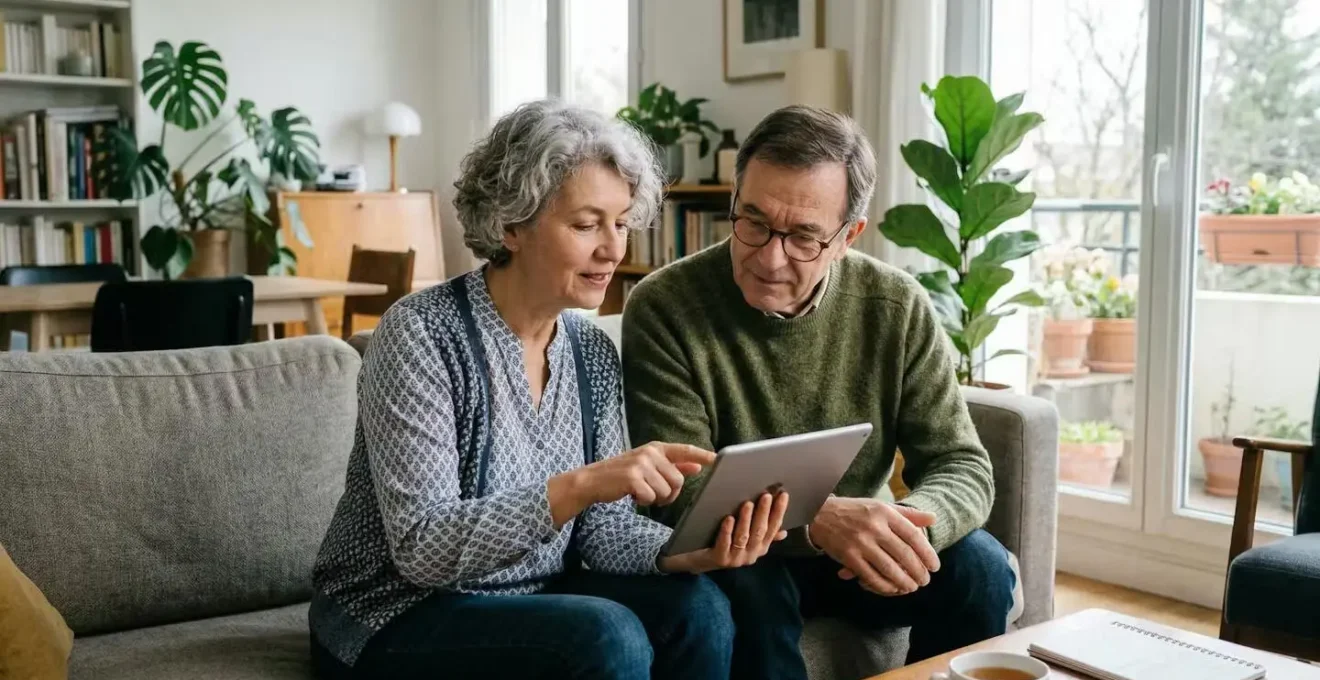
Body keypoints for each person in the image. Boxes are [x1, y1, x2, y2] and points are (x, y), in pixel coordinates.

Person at [309, 100, 790, 680]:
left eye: (620, 223)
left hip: (536, 592)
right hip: (393, 612)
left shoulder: (591, 352)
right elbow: (422, 549)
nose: (613, 249)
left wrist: (686, 553)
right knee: (605, 637)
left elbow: (605, 532)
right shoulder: (420, 334)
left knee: (701, 608)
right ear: (512, 224)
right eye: (586, 225)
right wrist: (584, 484)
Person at [621, 105, 1015, 679]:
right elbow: (681, 487)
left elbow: (961, 463)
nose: (768, 257)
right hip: (742, 556)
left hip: (856, 557)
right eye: (752, 221)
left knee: (980, 565)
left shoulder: (895, 305)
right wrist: (817, 520)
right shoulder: (665, 306)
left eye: (803, 236)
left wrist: (904, 525)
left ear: (847, 236)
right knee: (747, 582)